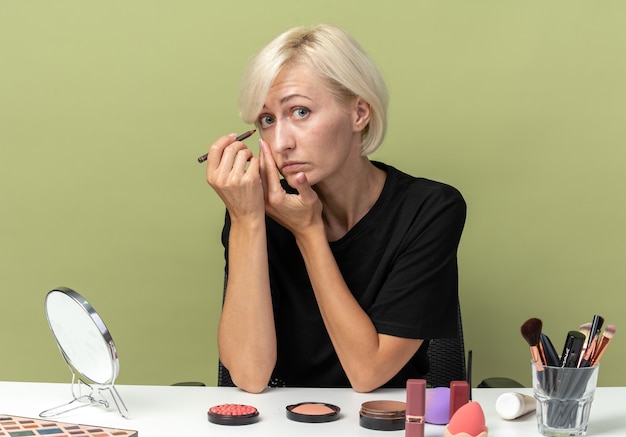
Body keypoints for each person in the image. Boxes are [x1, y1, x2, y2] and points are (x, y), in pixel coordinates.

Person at [205, 24, 466, 393]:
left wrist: (309, 232)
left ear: (359, 113)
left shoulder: (429, 209)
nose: (281, 142)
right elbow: (249, 376)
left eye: (300, 111)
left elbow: (368, 373)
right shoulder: (254, 210)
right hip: (284, 421)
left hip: (385, 421)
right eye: (267, 120)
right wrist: (246, 220)